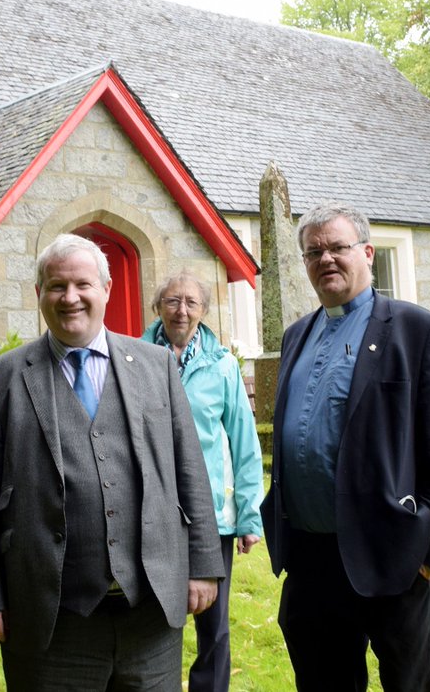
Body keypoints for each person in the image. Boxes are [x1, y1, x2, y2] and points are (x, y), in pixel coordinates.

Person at [0, 233, 224, 692]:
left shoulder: (155, 365)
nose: (70, 297)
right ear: (39, 294)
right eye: (56, 286)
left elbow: (189, 470)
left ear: (106, 289)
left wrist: (202, 564)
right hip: (50, 619)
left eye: (82, 284)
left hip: (150, 617)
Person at [260, 202, 430, 691]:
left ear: (368, 253)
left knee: (409, 683)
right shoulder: (297, 335)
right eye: (313, 251)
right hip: (311, 557)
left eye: (338, 247)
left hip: (391, 551)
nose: (325, 259)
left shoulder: (417, 331)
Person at [141, 271, 264, 692]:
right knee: (156, 621)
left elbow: (244, 445)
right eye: (172, 301)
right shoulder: (132, 359)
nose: (182, 311)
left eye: (191, 302)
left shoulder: (224, 366)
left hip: (211, 515)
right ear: (157, 307)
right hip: (151, 514)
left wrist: (250, 518)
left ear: (204, 311)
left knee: (214, 626)